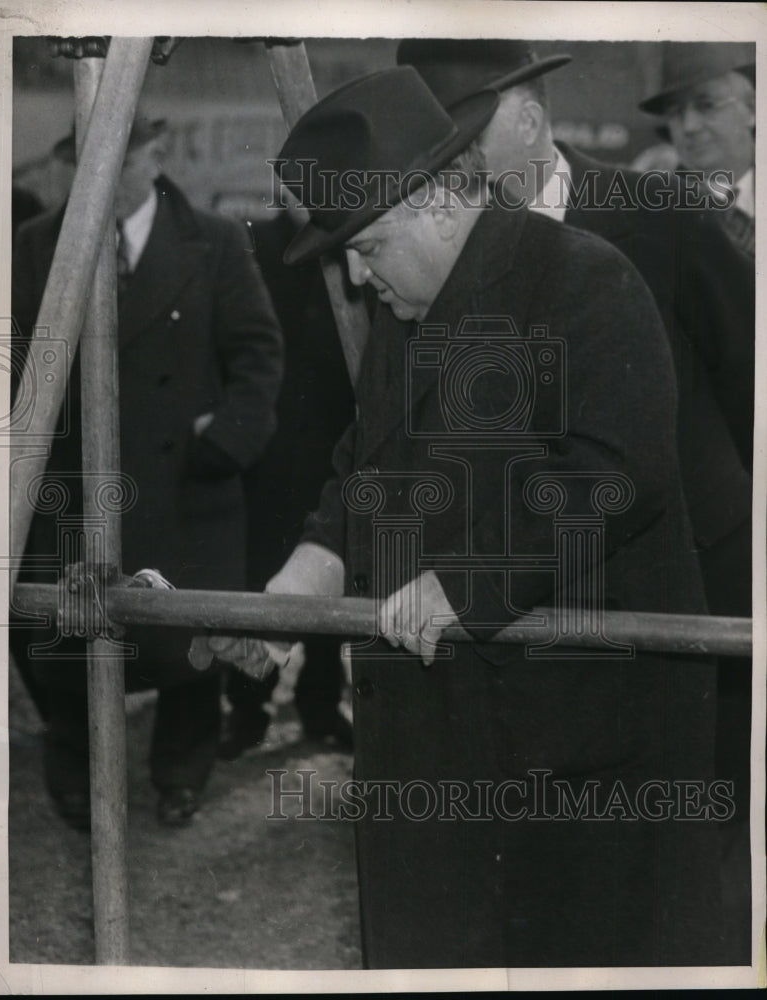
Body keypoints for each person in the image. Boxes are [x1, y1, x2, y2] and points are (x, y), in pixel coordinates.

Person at [205, 66, 724, 968]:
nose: (362, 282)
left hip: (574, 762)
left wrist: (465, 581)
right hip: (447, 744)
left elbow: (614, 471)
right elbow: (364, 477)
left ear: (439, 202)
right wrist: (293, 593)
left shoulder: (583, 280)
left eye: (367, 250)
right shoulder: (409, 324)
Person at [397, 37, 754, 961]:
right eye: (439, 150)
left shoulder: (659, 210)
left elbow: (749, 374)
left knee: (701, 815)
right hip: (535, 590)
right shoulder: (445, 248)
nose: (455, 168)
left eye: (466, 137)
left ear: (528, 109)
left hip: (691, 572)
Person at [11, 116, 283, 829]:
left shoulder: (216, 241)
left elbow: (257, 352)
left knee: (189, 642)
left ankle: (180, 771)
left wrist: (228, 438)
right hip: (76, 488)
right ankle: (74, 767)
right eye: (86, 157)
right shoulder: (37, 246)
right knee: (66, 639)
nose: (102, 173)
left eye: (137, 154)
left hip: (186, 485)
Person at [219, 195, 355, 757]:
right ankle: (248, 709)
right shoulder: (252, 241)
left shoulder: (353, 241)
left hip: (334, 442)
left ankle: (322, 708)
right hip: (267, 453)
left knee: (329, 567)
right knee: (260, 574)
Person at [639, 41, 755, 257]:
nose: (689, 126)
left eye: (706, 104)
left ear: (751, 109)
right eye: (675, 111)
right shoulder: (653, 211)